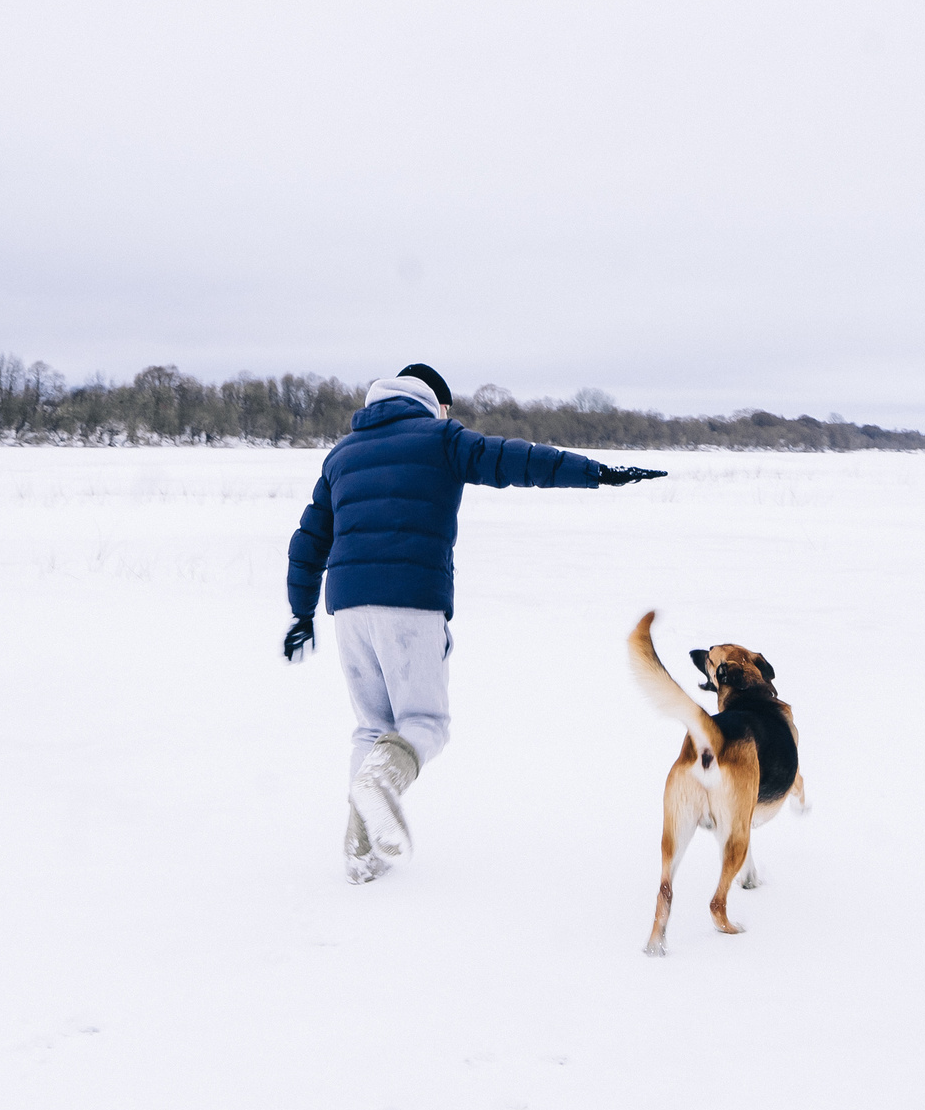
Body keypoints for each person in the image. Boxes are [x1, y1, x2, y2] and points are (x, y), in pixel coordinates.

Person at [283, 363, 663, 882]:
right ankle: (379, 791)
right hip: (411, 601)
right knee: (424, 724)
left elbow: (309, 541)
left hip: (348, 605)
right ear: (435, 403)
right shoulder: (441, 437)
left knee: (372, 728)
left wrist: (300, 611)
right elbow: (517, 460)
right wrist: (595, 472)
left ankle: (362, 854)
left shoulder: (343, 454)